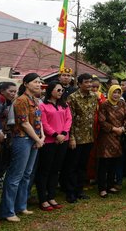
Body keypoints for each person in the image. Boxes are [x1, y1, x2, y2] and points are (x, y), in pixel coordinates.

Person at [0, 73, 44, 222]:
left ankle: (21, 205)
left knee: (27, 174)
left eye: (39, 82)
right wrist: (38, 139)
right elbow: (24, 123)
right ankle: (7, 210)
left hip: (34, 140)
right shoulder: (21, 101)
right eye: (35, 82)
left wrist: (41, 137)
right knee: (15, 175)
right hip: (22, 139)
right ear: (26, 83)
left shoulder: (35, 100)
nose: (38, 84)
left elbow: (39, 120)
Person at [36, 81, 72, 211]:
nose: (60, 92)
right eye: (58, 90)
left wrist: (63, 134)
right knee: (45, 169)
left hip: (63, 140)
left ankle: (51, 196)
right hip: (49, 141)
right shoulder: (43, 106)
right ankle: (43, 198)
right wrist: (55, 134)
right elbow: (43, 123)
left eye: (62, 90)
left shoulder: (65, 105)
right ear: (50, 90)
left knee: (56, 169)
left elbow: (69, 119)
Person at [63, 73, 97, 203]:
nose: (89, 85)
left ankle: (79, 190)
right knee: (72, 165)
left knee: (83, 165)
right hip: (75, 138)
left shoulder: (94, 96)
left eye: (90, 82)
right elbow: (69, 119)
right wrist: (71, 137)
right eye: (86, 82)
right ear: (80, 83)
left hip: (88, 136)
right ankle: (70, 192)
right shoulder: (72, 98)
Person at [96, 85, 126, 198]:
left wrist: (122, 128)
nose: (116, 95)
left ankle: (110, 186)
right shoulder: (104, 105)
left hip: (118, 138)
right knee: (104, 163)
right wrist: (114, 129)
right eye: (114, 92)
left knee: (114, 162)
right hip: (106, 137)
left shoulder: (122, 103)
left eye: (119, 93)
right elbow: (101, 121)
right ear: (110, 93)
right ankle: (102, 188)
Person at [0, 81, 17, 189]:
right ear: (2, 91)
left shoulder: (7, 101)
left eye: (15, 92)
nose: (13, 94)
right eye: (11, 91)